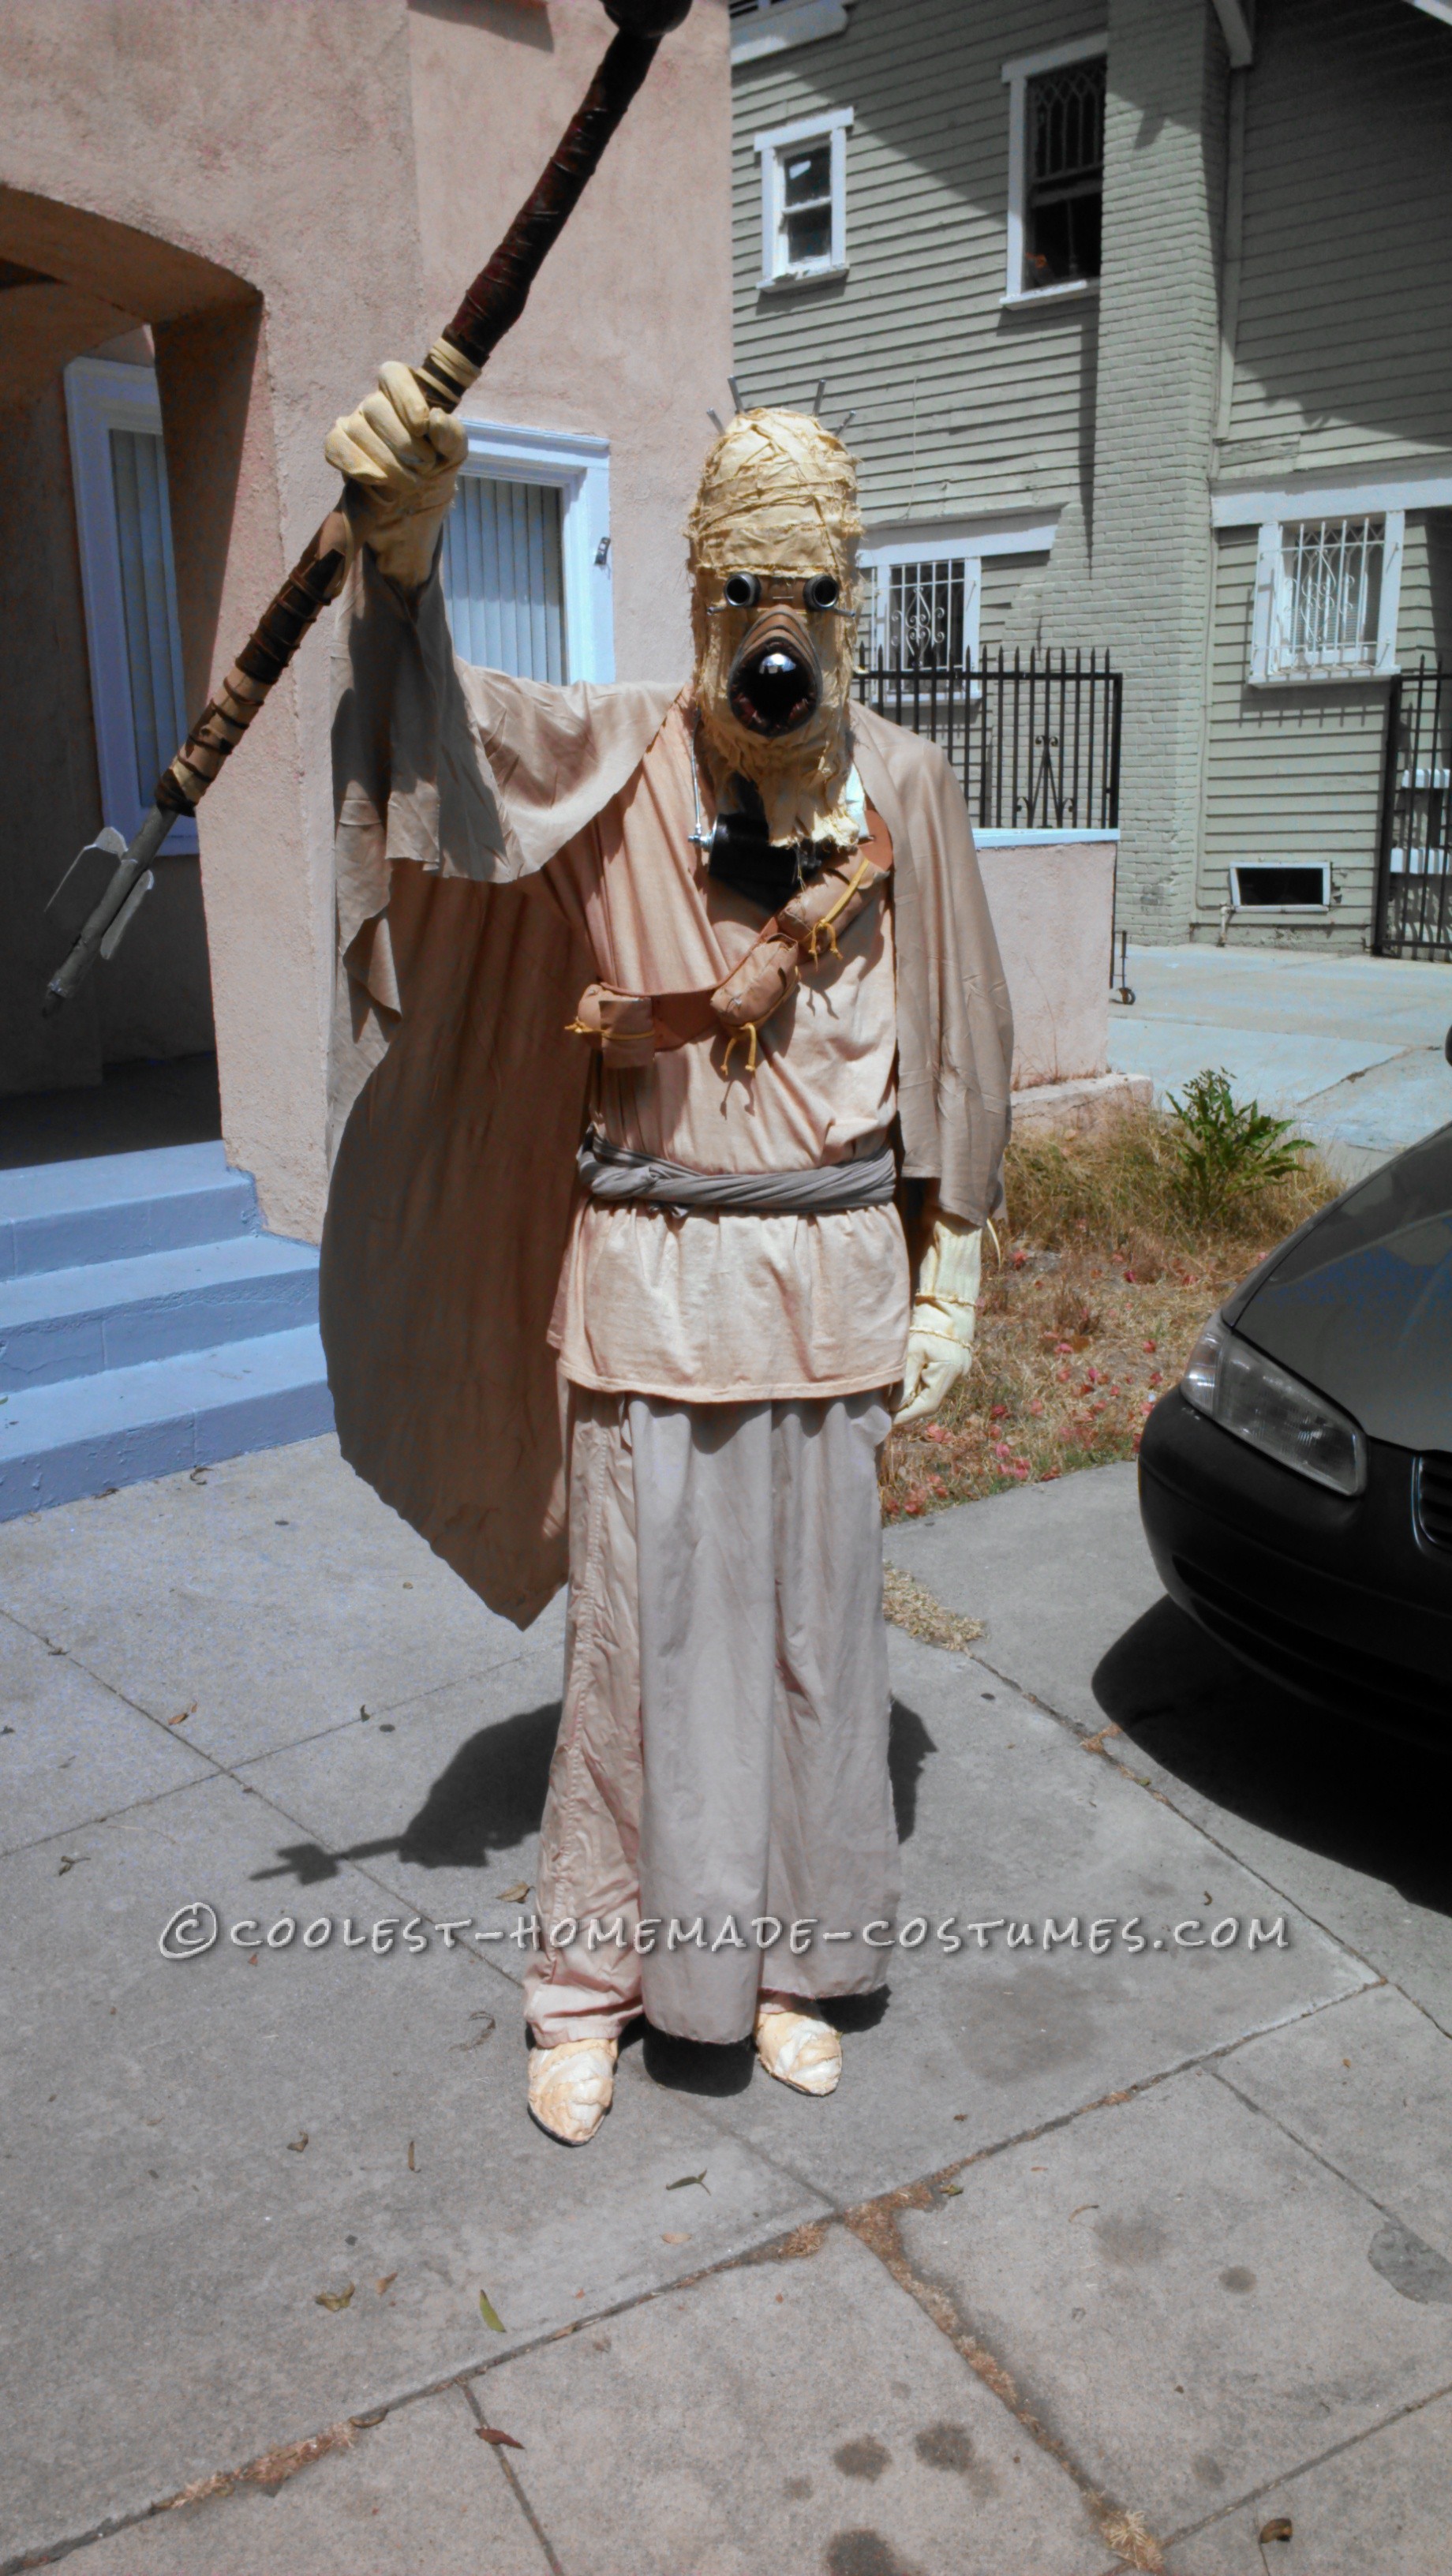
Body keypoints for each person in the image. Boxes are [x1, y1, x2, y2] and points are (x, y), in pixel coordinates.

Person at [320, 365, 1012, 2144]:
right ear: (697, 592)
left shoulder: (909, 792)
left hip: (833, 1279)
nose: (773, 635)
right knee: (637, 1651)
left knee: (812, 1647)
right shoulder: (616, 752)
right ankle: (593, 1983)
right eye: (739, 595)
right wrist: (399, 573)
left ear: (844, 600)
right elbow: (442, 759)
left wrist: (951, 1266)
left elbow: (956, 1038)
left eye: (809, 598)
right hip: (651, 1282)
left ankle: (790, 1963)